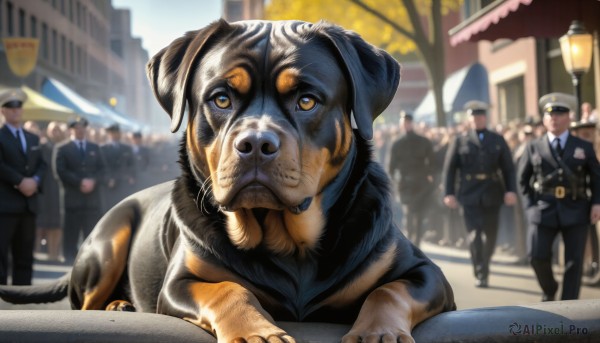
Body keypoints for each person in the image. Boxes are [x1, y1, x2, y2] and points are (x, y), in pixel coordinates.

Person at [518, 92, 600, 301]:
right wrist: (529, 207)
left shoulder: (583, 147)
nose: (554, 117)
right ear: (544, 119)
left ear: (569, 117)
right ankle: (550, 287)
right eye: (550, 114)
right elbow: (522, 180)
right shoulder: (533, 146)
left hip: (576, 208)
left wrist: (597, 203)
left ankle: (568, 304)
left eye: (560, 112)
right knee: (536, 256)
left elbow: (596, 178)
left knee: (574, 261)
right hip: (543, 209)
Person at [443, 100, 517, 288]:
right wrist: (449, 193)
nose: (477, 119)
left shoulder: (497, 139)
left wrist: (511, 190)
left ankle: (485, 264)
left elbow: (508, 168)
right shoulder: (460, 140)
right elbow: (449, 170)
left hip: (492, 191)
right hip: (469, 193)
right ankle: (480, 271)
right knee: (474, 235)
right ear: (469, 119)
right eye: (474, 116)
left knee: (490, 235)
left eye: (481, 116)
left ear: (486, 118)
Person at [0, 88, 47, 285]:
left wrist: (35, 181)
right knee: (1, 252)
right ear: (2, 110)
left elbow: (41, 165)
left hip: (28, 204)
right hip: (6, 204)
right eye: (10, 107)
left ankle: (23, 291)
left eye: (18, 106)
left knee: (25, 252)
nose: (15, 110)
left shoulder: (32, 138)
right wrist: (20, 181)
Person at [53, 117, 105, 263]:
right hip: (72, 199)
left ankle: (89, 261)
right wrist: (79, 182)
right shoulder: (62, 148)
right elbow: (60, 171)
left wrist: (93, 181)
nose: (80, 130)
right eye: (77, 128)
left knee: (90, 233)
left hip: (91, 200)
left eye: (83, 127)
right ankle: (69, 260)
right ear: (71, 130)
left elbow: (102, 170)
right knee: (71, 232)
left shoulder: (94, 147)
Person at [388, 112, 435, 247]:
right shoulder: (396, 143)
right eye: (403, 122)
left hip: (421, 183)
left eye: (408, 122)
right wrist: (393, 181)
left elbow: (432, 161)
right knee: (408, 212)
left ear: (411, 123)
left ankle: (417, 242)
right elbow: (391, 166)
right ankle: (410, 240)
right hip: (405, 184)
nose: (406, 125)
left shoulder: (423, 141)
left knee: (419, 214)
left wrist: (430, 175)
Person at [36, 121, 66, 261]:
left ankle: (54, 254)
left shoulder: (64, 148)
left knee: (57, 224)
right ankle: (37, 254)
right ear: (48, 131)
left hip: (58, 190)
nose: (56, 132)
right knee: (41, 224)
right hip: (44, 190)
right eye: (53, 130)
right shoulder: (42, 147)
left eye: (58, 129)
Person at [100, 123, 135, 211]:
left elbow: (132, 165)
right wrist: (108, 179)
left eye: (116, 132)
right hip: (111, 185)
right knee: (111, 209)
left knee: (124, 208)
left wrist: (131, 176)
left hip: (124, 183)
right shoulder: (103, 149)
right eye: (112, 133)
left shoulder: (127, 148)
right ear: (109, 134)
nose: (115, 135)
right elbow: (102, 166)